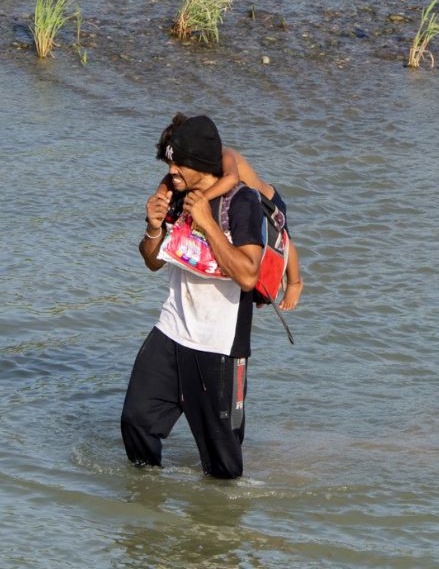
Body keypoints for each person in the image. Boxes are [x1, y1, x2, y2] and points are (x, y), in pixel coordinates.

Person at [121, 114, 265, 478]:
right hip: (171, 332)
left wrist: (208, 223)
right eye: (169, 162)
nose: (171, 172)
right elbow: (153, 262)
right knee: (136, 421)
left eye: (178, 163)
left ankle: (217, 530)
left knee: (222, 469)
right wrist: (153, 228)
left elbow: (249, 275)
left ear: (200, 163)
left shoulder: (243, 202)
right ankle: (146, 509)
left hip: (220, 349)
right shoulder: (176, 194)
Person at [155, 113, 303, 311]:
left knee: (284, 241)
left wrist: (202, 200)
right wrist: (161, 192)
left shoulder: (226, 154)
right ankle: (263, 287)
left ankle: (295, 282)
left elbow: (231, 179)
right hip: (245, 204)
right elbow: (168, 177)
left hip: (267, 200)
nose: (173, 170)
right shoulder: (191, 165)